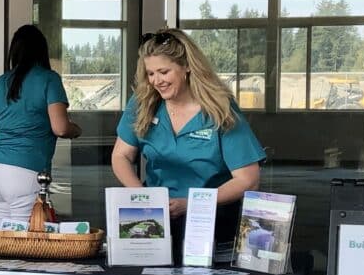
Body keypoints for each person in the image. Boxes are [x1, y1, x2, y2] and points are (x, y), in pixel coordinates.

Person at [112, 28, 263, 262]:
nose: (156, 81)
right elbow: (120, 156)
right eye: (151, 73)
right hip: (154, 217)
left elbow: (248, 178)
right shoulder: (143, 102)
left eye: (164, 72)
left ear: (187, 67)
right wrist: (143, 197)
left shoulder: (219, 108)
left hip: (210, 220)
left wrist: (191, 204)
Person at [0, 25, 80, 225]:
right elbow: (60, 127)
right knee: (24, 240)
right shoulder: (49, 79)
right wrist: (76, 129)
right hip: (25, 171)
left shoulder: (1, 82)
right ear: (42, 51)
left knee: (2, 239)